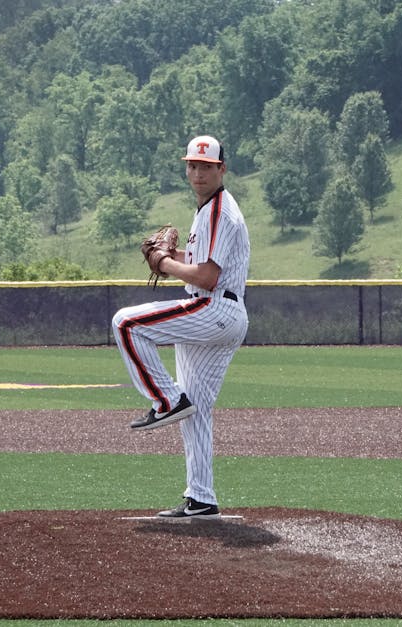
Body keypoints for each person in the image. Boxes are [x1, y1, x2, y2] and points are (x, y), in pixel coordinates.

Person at [112, 135, 250, 519]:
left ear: (222, 169)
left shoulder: (220, 210)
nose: (198, 172)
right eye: (192, 165)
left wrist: (164, 264)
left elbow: (206, 277)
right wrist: (171, 256)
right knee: (197, 410)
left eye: (206, 166)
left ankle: (165, 400)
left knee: (126, 323)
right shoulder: (209, 209)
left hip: (213, 309)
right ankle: (201, 497)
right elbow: (203, 260)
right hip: (218, 313)